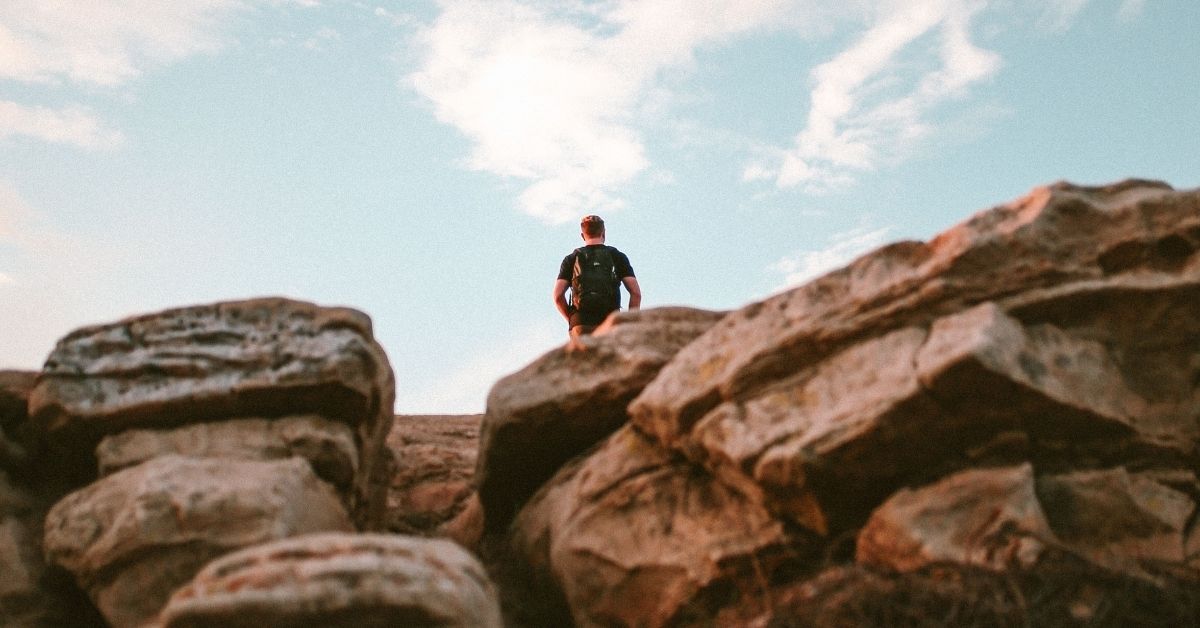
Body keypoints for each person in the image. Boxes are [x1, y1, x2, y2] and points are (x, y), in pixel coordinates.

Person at [553, 214, 641, 344]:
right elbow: (636, 293)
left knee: (584, 363)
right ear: (603, 233)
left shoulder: (571, 259)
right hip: (610, 322)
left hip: (581, 322)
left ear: (582, 235)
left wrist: (572, 319)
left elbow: (558, 296)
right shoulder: (617, 256)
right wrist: (629, 323)